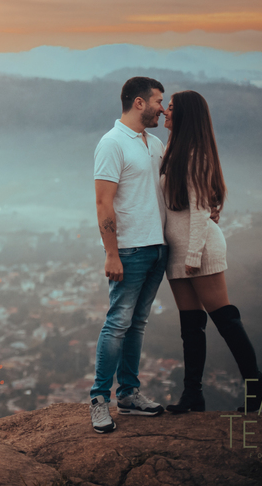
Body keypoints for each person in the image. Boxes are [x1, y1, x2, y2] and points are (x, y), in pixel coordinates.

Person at [160, 90, 262, 414]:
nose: (165, 113)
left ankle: (256, 383)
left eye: (170, 109)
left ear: (184, 115)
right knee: (190, 324)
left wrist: (194, 254)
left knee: (223, 316)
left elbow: (198, 209)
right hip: (178, 249)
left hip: (199, 247)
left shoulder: (195, 153)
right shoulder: (172, 149)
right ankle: (192, 394)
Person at [89, 76, 169, 434]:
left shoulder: (155, 144)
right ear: (139, 103)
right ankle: (99, 400)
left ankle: (130, 395)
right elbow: (103, 202)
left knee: (137, 324)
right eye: (158, 101)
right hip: (130, 249)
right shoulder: (111, 144)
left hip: (157, 248)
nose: (162, 109)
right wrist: (111, 253)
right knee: (118, 323)